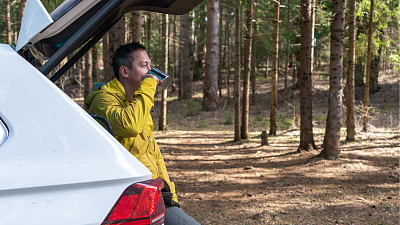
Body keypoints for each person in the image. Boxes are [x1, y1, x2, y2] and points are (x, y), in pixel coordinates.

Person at [85, 42, 200, 225]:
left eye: (150, 65)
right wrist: (148, 86)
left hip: (153, 194)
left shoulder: (139, 101)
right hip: (125, 200)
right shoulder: (104, 99)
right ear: (124, 71)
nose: (150, 71)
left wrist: (171, 197)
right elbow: (130, 125)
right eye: (143, 66)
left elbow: (153, 154)